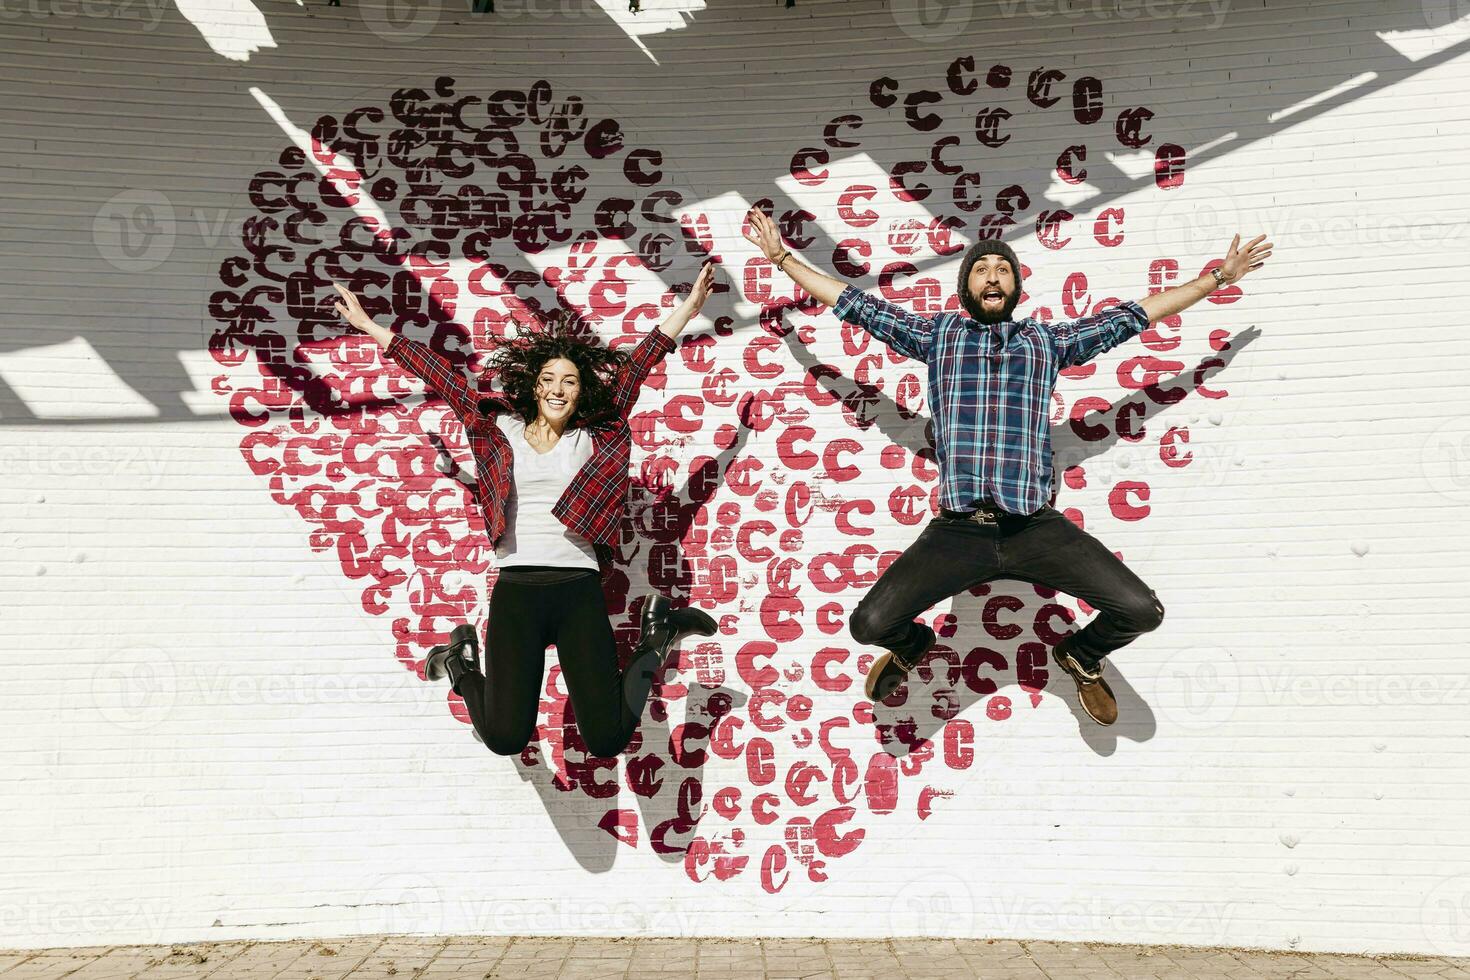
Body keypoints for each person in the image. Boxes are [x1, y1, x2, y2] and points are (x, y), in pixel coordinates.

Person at [744, 209, 1271, 725]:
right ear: (965, 289)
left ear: (1016, 288)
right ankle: (914, 645)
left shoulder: (1046, 342)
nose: (993, 276)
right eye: (981, 269)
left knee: (1140, 611)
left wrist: (1219, 278)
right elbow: (858, 305)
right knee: (869, 624)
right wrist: (782, 259)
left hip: (1033, 527)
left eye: (1003, 270)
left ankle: (1081, 655)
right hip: (959, 532)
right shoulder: (939, 337)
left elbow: (1134, 317)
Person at [331, 262, 720, 757]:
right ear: (533, 385)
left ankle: (658, 636)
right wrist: (371, 328)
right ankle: (460, 664)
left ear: (583, 391)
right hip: (518, 591)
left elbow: (637, 366)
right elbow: (443, 377)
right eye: (549, 379)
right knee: (505, 735)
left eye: (571, 381)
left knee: (606, 738)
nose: (558, 389)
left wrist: (687, 309)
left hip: (578, 589)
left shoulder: (591, 434)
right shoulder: (501, 429)